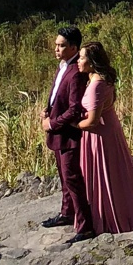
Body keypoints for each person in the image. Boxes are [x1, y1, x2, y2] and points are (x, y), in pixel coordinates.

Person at [76, 41, 133, 235]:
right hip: (108, 132)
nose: (78, 61)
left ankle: (111, 216)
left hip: (100, 136)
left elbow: (92, 121)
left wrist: (71, 124)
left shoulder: (96, 86)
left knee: (109, 176)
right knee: (115, 175)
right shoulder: (97, 79)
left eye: (82, 57)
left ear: (92, 62)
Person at [41, 26, 94, 238]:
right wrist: (47, 109)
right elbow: (56, 94)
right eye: (56, 45)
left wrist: (52, 123)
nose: (56, 49)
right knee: (64, 176)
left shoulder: (76, 73)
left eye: (61, 45)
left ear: (74, 47)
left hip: (69, 134)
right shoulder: (63, 66)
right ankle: (67, 212)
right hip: (58, 131)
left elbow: (74, 109)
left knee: (72, 178)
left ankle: (85, 226)